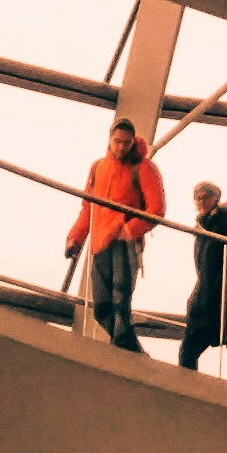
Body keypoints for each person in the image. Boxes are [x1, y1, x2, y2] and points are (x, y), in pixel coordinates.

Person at [65, 116, 166, 353]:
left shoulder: (143, 168)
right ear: (110, 139)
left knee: (120, 307)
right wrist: (76, 238)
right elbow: (88, 208)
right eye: (118, 141)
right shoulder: (98, 168)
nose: (121, 147)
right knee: (102, 309)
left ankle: (125, 357)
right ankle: (135, 356)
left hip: (124, 244)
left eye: (126, 143)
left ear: (133, 142)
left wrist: (130, 229)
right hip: (101, 244)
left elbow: (157, 209)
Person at [179, 178, 227, 375]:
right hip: (207, 293)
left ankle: (187, 389)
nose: (200, 202)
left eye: (205, 197)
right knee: (189, 351)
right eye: (197, 199)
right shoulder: (206, 225)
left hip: (213, 298)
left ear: (215, 199)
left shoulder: (222, 224)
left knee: (188, 351)